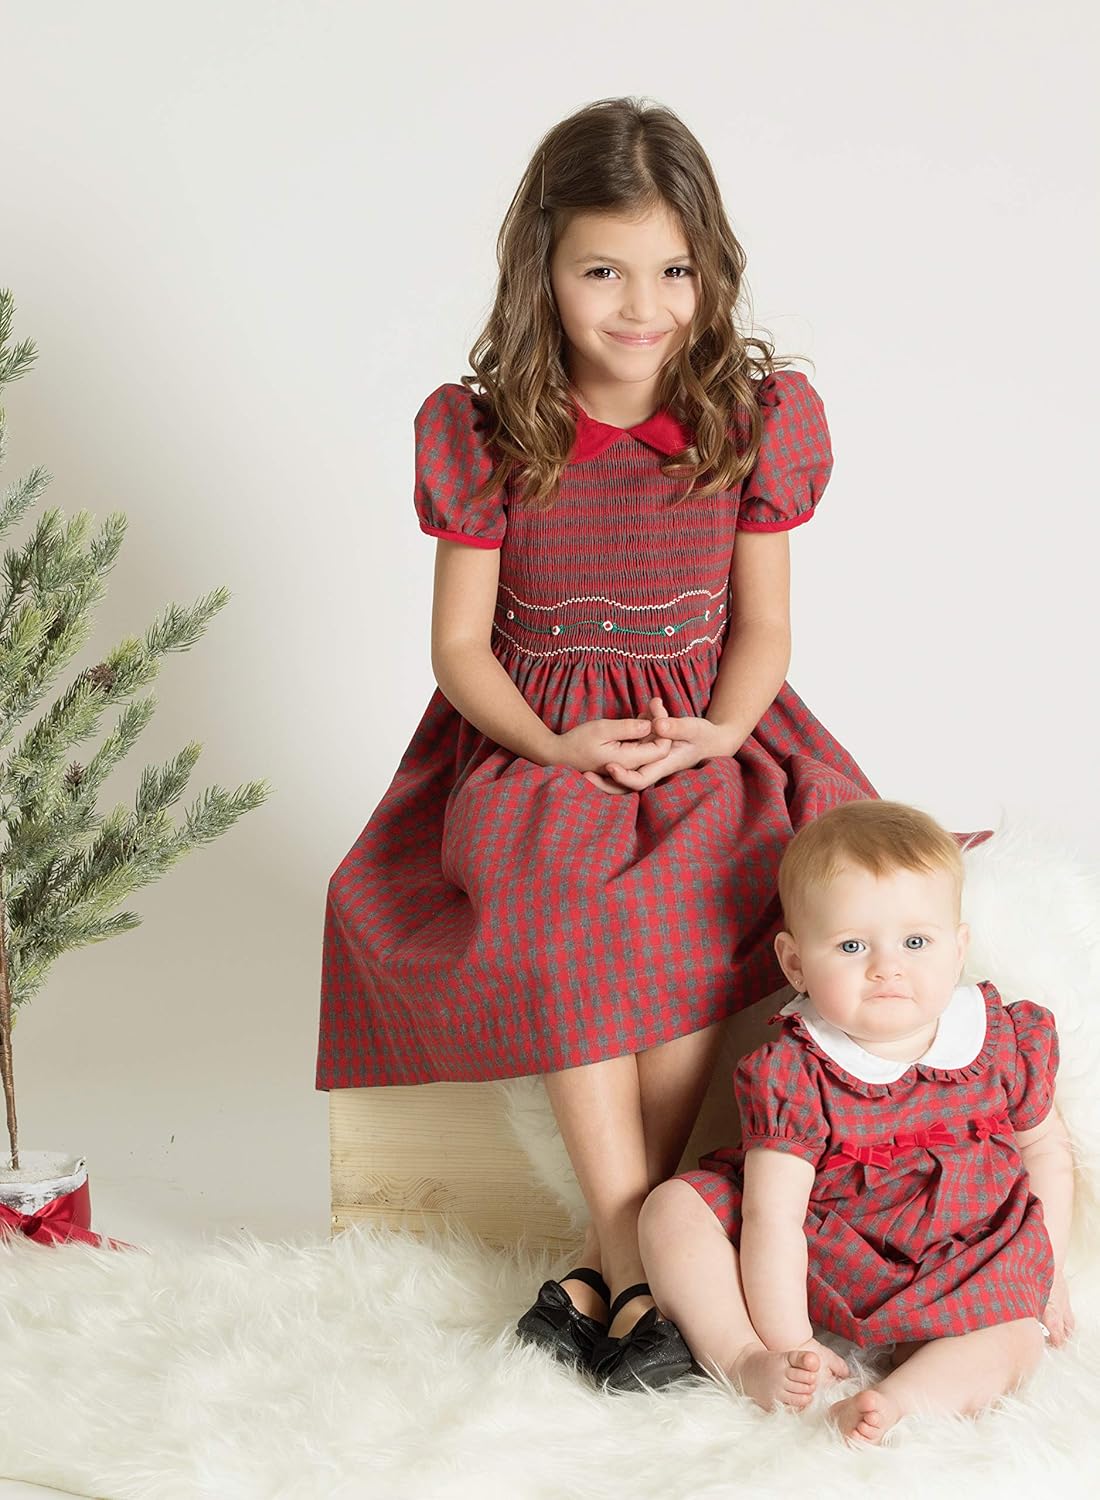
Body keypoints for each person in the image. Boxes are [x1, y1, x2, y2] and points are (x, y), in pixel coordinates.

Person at [316, 96, 877, 1389]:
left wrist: (719, 730)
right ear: (544, 272)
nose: (641, 306)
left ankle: (602, 1265)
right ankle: (640, 1261)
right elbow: (460, 650)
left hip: (703, 725)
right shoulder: (485, 431)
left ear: (711, 269)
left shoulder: (750, 418)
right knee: (560, 896)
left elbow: (764, 624)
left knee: (706, 886)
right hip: (532, 742)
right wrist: (559, 749)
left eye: (672, 271)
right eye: (602, 272)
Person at [639, 800, 1075, 1438]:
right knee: (671, 1210)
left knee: (1016, 1338)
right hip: (825, 1251)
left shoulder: (1002, 1039)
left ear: (958, 949)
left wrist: (1046, 1272)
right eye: (851, 946)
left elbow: (1045, 1151)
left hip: (970, 1255)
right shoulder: (796, 1070)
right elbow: (771, 1217)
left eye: (916, 942)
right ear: (796, 964)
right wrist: (790, 1340)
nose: (886, 967)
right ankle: (744, 1359)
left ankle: (897, 1403)